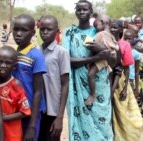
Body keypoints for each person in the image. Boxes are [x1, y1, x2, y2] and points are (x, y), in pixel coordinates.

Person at [62, 0, 113, 140]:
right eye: (79, 9)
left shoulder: (99, 32)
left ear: (91, 12)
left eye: (85, 10)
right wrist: (92, 59)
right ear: (75, 12)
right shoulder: (68, 33)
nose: (82, 12)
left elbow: (112, 58)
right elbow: (67, 61)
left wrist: (104, 54)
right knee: (80, 125)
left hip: (99, 84)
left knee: (102, 123)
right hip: (76, 85)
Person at [11, 14, 47, 141]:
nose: (18, 34)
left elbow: (38, 91)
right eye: (16, 29)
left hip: (32, 112)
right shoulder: (14, 54)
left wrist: (32, 125)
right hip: (16, 111)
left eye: (24, 30)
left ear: (33, 32)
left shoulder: (36, 55)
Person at [38, 15, 70, 141]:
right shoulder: (37, 50)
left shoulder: (61, 52)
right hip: (39, 109)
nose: (45, 32)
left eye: (49, 29)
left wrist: (60, 117)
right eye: (42, 29)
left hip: (53, 110)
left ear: (57, 30)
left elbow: (65, 84)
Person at [110, 21, 143, 141]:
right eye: (111, 27)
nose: (112, 30)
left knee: (123, 112)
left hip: (120, 81)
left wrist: (125, 88)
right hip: (106, 80)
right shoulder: (105, 42)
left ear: (120, 30)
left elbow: (127, 68)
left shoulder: (124, 45)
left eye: (115, 27)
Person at [0, 46, 31, 141]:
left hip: (12, 134)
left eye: (7, 63)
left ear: (14, 66)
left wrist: (1, 118)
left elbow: (25, 112)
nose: (3, 65)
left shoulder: (16, 85)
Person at [85, 14, 118, 106]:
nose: (95, 28)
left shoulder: (100, 34)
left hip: (103, 59)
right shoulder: (111, 36)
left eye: (96, 26)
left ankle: (92, 95)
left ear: (102, 23)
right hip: (108, 59)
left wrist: (89, 60)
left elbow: (93, 46)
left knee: (90, 74)